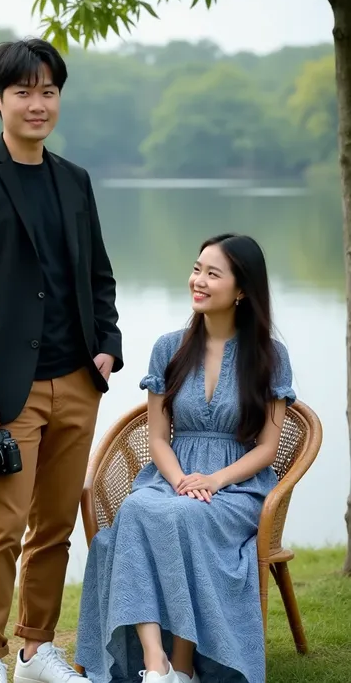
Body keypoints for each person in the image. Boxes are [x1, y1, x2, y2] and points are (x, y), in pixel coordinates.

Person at [0, 38, 123, 683]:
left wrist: (108, 346)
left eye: (48, 91)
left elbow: (98, 275)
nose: (37, 104)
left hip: (77, 381)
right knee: (0, 529)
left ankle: (36, 649)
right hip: (4, 390)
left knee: (55, 530)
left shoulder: (75, 180)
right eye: (23, 92)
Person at [75, 233, 295, 683]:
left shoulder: (271, 357)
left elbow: (268, 450)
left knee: (185, 517)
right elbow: (158, 439)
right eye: (197, 269)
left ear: (242, 290)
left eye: (212, 274)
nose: (198, 280)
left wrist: (212, 482)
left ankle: (186, 662)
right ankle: (158, 666)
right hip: (170, 475)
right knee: (138, 508)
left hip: (238, 487)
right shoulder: (168, 348)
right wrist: (179, 480)